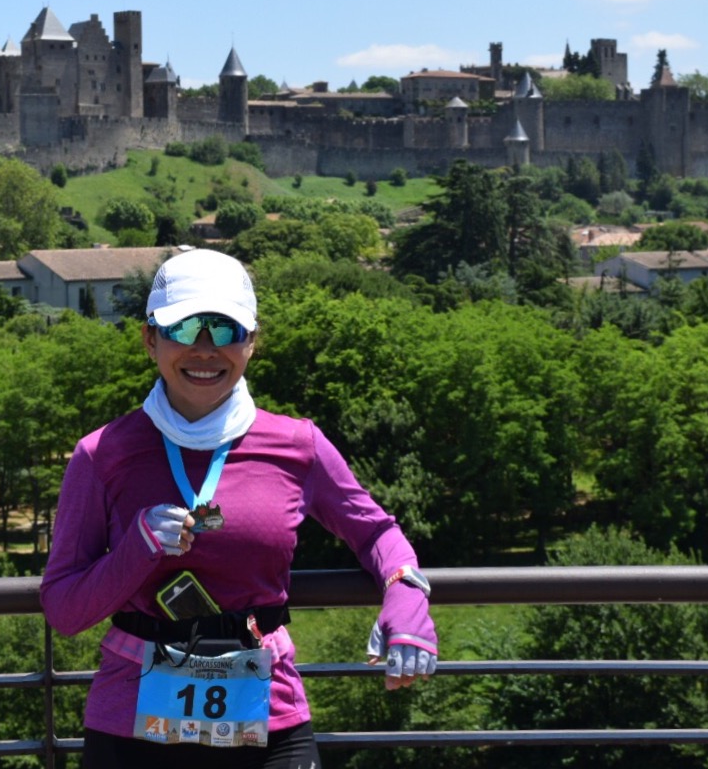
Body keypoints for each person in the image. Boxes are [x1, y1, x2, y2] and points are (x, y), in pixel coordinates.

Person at [39, 248, 437, 768]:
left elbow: (377, 534)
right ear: (149, 339)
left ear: (252, 342)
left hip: (268, 719)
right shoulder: (102, 454)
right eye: (184, 329)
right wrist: (137, 549)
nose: (205, 350)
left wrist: (405, 594)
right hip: (131, 727)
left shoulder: (298, 445)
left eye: (226, 330)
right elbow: (65, 610)